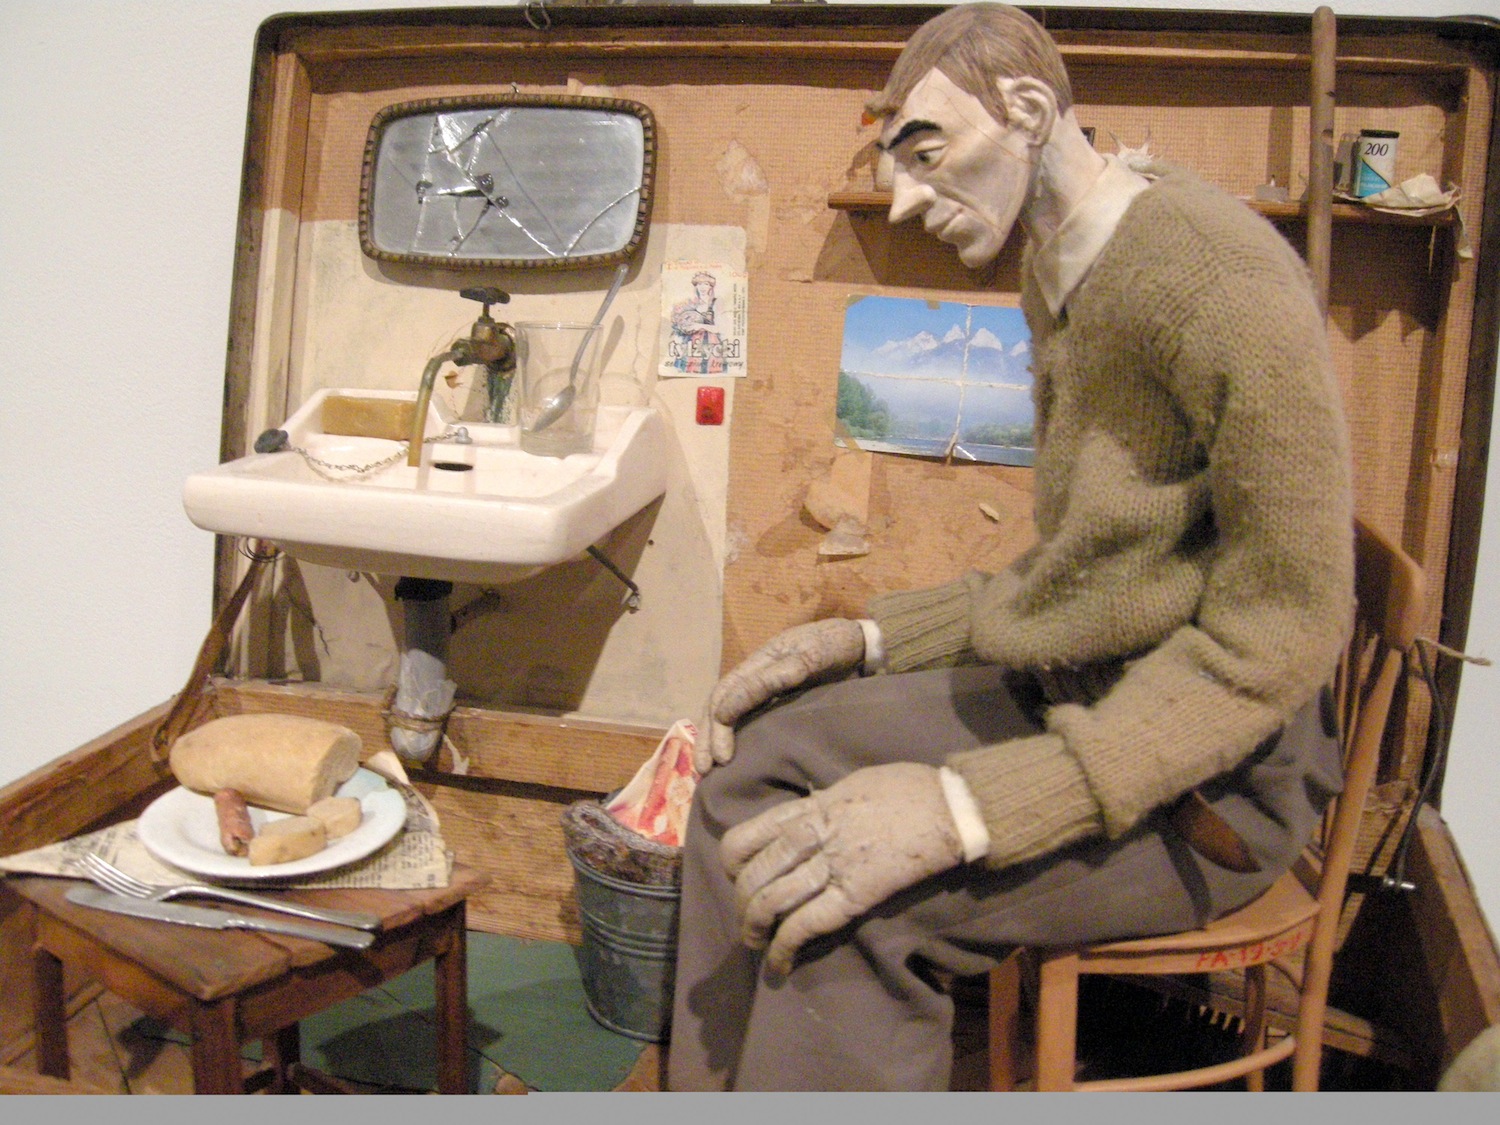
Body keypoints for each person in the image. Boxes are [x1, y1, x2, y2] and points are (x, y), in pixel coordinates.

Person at [668, 3, 1353, 1091]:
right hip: (1077, 687)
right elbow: (1092, 566)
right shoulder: (1065, 265)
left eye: (927, 152)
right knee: (746, 770)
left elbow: (1284, 631)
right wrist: (864, 639)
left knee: (856, 902)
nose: (903, 197)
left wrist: (967, 810)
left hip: (1209, 778)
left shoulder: (1220, 280)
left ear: (1029, 109)